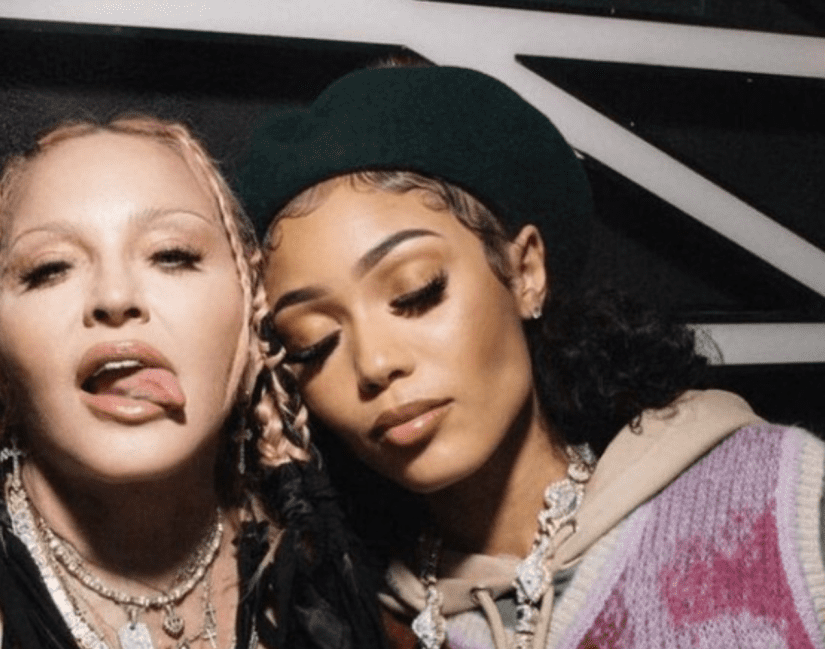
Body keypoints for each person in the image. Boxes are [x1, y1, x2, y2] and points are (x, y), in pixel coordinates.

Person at [237, 65, 825, 649]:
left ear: (525, 272)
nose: (374, 364)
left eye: (416, 293)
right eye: (314, 342)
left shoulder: (781, 503)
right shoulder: (351, 623)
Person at [0, 116, 383, 649]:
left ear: (251, 306)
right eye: (50, 268)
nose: (115, 297)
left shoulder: (336, 573)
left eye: (172, 256)